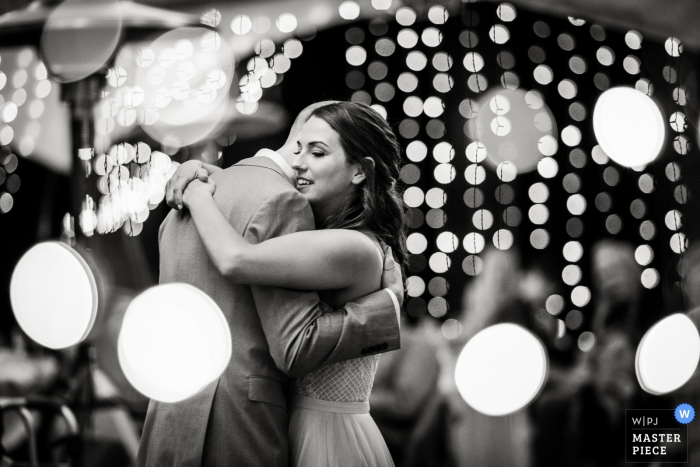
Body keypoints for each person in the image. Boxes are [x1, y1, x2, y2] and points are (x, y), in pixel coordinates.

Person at [136, 102, 404, 467]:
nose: (298, 162)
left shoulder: (353, 245)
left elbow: (237, 261)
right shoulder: (306, 223)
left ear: (360, 170)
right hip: (270, 421)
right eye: (299, 148)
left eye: (318, 152)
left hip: (322, 435)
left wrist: (388, 308)